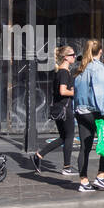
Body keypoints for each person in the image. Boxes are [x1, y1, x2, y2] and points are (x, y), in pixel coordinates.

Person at [73, 39, 104, 192]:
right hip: (96, 111)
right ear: (101, 51)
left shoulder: (81, 68)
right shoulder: (98, 69)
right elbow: (100, 94)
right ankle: (100, 177)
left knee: (84, 148)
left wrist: (77, 111)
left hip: (81, 112)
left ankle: (84, 182)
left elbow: (77, 94)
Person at [33, 45, 78, 175]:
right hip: (64, 110)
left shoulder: (60, 71)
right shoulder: (64, 72)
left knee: (64, 137)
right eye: (72, 55)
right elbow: (62, 91)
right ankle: (67, 167)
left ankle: (39, 155)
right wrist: (75, 92)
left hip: (59, 109)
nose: (75, 57)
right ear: (65, 57)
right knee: (69, 137)